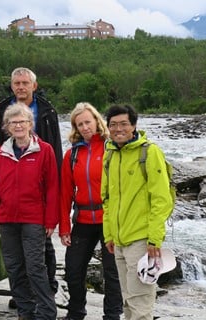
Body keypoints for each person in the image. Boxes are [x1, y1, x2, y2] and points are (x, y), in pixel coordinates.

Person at [0, 67, 62, 301]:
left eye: (25, 83)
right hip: (12, 188)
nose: (21, 86)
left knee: (44, 249)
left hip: (39, 185)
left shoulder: (47, 109)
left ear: (34, 85)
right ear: (11, 86)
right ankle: (22, 299)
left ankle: (46, 290)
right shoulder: (2, 109)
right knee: (17, 257)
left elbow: (56, 149)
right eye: (17, 83)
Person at [101, 105, 173, 320]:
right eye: (113, 125)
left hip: (142, 240)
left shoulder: (149, 153)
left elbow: (162, 200)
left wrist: (154, 239)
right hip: (119, 240)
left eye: (124, 124)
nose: (118, 129)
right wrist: (109, 235)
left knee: (140, 301)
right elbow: (107, 200)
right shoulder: (110, 155)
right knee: (127, 299)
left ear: (134, 125)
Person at [59, 102, 123, 320]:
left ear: (97, 121)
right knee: (73, 269)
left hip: (109, 221)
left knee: (112, 273)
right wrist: (64, 227)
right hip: (83, 219)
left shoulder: (112, 148)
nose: (85, 127)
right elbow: (65, 193)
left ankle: (112, 315)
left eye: (88, 122)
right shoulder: (72, 155)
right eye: (80, 124)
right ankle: (76, 312)